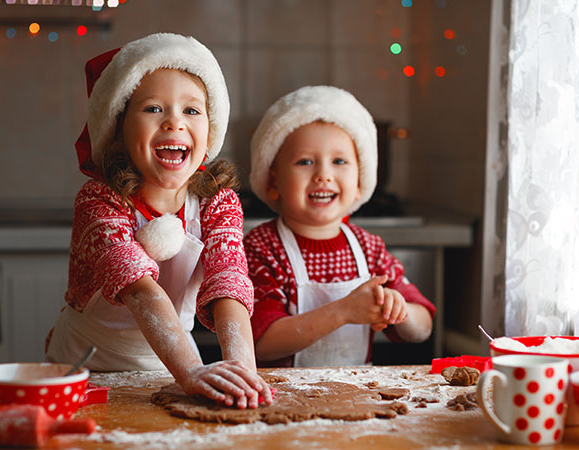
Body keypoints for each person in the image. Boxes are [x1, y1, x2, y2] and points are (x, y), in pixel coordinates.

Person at [46, 33, 272, 409]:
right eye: (153, 109)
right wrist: (193, 373)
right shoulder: (99, 200)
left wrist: (242, 370)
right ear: (118, 127)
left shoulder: (218, 202)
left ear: (210, 129)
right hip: (87, 370)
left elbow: (228, 283)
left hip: (168, 368)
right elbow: (139, 289)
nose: (174, 123)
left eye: (192, 110)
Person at [244, 86, 436, 367]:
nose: (324, 175)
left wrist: (399, 310)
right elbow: (259, 344)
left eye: (339, 161)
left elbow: (423, 328)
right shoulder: (261, 248)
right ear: (273, 182)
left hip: (357, 399)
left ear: (360, 182)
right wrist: (342, 312)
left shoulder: (369, 249)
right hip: (280, 401)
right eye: (305, 162)